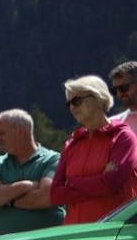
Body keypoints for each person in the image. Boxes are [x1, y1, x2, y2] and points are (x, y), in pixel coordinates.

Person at [52, 75, 137, 225]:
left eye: (76, 101)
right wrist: (100, 180)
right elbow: (56, 194)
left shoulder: (123, 137)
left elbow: (111, 183)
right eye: (69, 104)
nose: (72, 107)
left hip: (112, 233)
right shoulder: (71, 144)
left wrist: (71, 183)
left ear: (98, 98)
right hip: (75, 232)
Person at [0, 109, 64, 233]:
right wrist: (23, 186)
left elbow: (47, 197)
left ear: (20, 132)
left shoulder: (53, 159)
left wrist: (6, 198)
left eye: (2, 134)